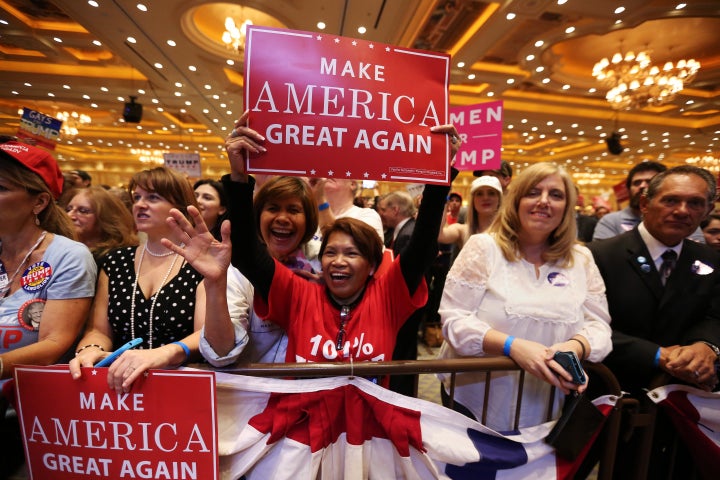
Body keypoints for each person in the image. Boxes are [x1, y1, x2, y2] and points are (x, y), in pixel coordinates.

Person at [168, 111, 459, 382]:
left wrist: (439, 176)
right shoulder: (300, 294)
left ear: (372, 265)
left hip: (368, 431)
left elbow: (420, 251)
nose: (338, 261)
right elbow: (249, 256)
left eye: (352, 253)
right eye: (330, 252)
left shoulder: (387, 296)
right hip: (303, 428)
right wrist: (240, 177)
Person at [437, 162, 612, 431]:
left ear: (567, 207)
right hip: (473, 400)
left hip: (546, 404)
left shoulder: (581, 258)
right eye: (533, 192)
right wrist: (513, 347)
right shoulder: (483, 247)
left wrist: (575, 346)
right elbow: (454, 321)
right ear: (516, 201)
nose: (544, 201)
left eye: (556, 195)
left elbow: (599, 326)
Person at [587, 165, 720, 478]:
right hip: (612, 397)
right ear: (645, 203)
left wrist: (706, 346)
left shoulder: (711, 260)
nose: (682, 211)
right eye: (671, 201)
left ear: (708, 210)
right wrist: (659, 355)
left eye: (695, 203)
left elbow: (715, 315)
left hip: (683, 404)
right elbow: (586, 326)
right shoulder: (597, 256)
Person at [69, 167, 218, 394]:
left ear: (179, 206)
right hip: (122, 386)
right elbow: (99, 329)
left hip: (183, 384)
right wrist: (90, 349)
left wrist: (164, 352)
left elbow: (207, 334)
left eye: (153, 198)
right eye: (137, 197)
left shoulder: (201, 263)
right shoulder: (116, 261)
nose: (140, 204)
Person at [0, 141, 96, 477]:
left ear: (39, 202)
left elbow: (52, 345)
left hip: (28, 415)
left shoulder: (68, 256)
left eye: (1, 187)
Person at [199, 175, 319, 366]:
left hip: (312, 388)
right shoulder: (237, 273)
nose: (282, 218)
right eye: (272, 208)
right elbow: (221, 352)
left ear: (309, 220)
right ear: (258, 216)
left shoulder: (322, 265)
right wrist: (215, 284)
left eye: (293, 210)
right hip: (256, 391)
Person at [592, 161, 705, 243]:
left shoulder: (682, 219)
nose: (642, 186)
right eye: (637, 183)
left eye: (650, 181)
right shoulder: (610, 221)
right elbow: (606, 260)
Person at [65, 186, 138, 267]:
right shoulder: (63, 249)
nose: (69, 215)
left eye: (83, 211)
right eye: (68, 209)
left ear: (105, 217)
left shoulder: (118, 258)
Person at [437, 175, 503, 250]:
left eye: (491, 193)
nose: (485, 198)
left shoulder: (508, 232)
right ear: (473, 200)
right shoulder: (463, 231)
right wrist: (444, 196)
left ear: (499, 199)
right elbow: (440, 235)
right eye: (479, 194)